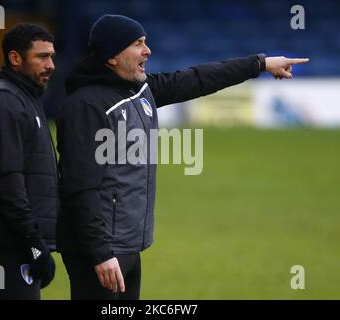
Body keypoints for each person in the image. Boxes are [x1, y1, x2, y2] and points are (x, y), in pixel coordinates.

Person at [56, 14, 309, 300]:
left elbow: (197, 79)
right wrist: (100, 253)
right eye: (137, 44)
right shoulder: (86, 105)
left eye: (146, 42)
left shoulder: (140, 90)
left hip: (125, 245)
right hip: (100, 250)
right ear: (113, 56)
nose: (147, 50)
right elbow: (80, 188)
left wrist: (260, 64)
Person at [0, 23, 58, 300]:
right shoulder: (4, 103)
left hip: (16, 241)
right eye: (42, 56)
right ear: (16, 58)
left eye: (52, 56)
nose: (51, 65)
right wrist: (32, 242)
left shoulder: (25, 99)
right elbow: (7, 180)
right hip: (9, 243)